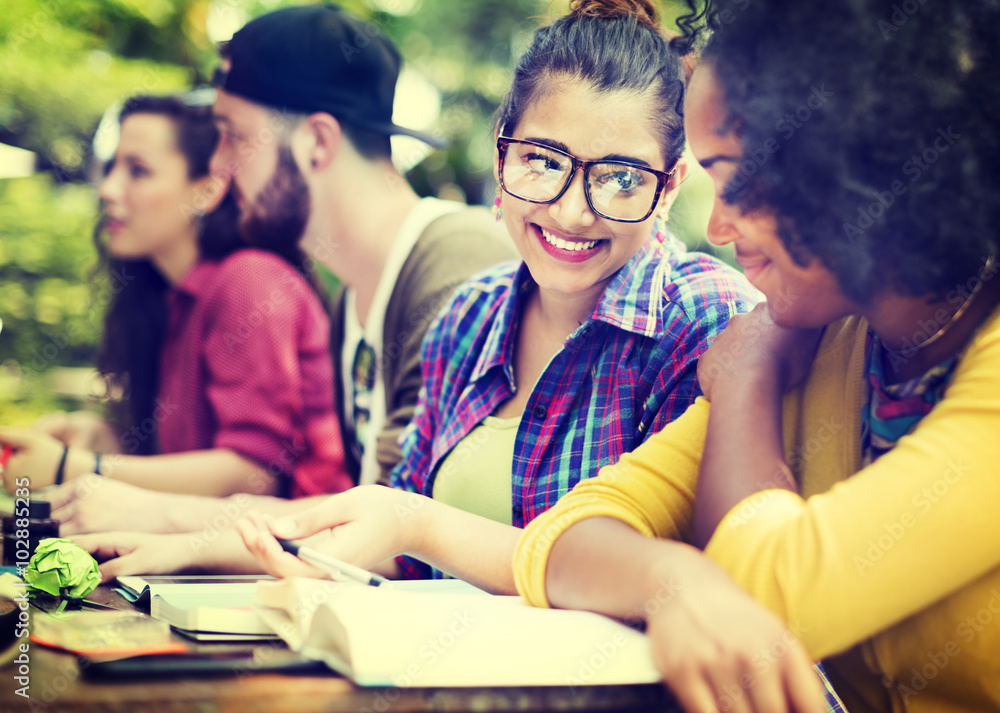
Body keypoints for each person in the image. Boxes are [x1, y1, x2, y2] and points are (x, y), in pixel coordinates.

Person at [510, 0, 1000, 711]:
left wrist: (745, 381)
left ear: (850, 162)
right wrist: (667, 580)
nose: (715, 224)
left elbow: (769, 598)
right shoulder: (830, 336)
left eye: (734, 176)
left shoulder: (772, 350)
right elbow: (566, 529)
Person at [235, 0, 757, 593]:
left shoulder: (703, 318)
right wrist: (291, 551)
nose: (571, 210)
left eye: (620, 178)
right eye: (540, 160)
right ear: (500, 153)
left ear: (669, 187)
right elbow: (400, 548)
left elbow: (668, 580)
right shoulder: (471, 313)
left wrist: (419, 526)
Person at [65, 5, 513, 555]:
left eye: (233, 136)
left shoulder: (456, 262)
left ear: (318, 142)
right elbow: (363, 509)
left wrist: (158, 512)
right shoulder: (354, 298)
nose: (221, 166)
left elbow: (407, 534)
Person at [0, 94, 349, 505]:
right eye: (112, 168)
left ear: (207, 188)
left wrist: (76, 468)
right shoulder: (170, 298)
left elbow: (254, 476)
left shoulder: (251, 280)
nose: (109, 189)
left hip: (295, 559)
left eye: (139, 171)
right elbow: (189, 460)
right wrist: (101, 440)